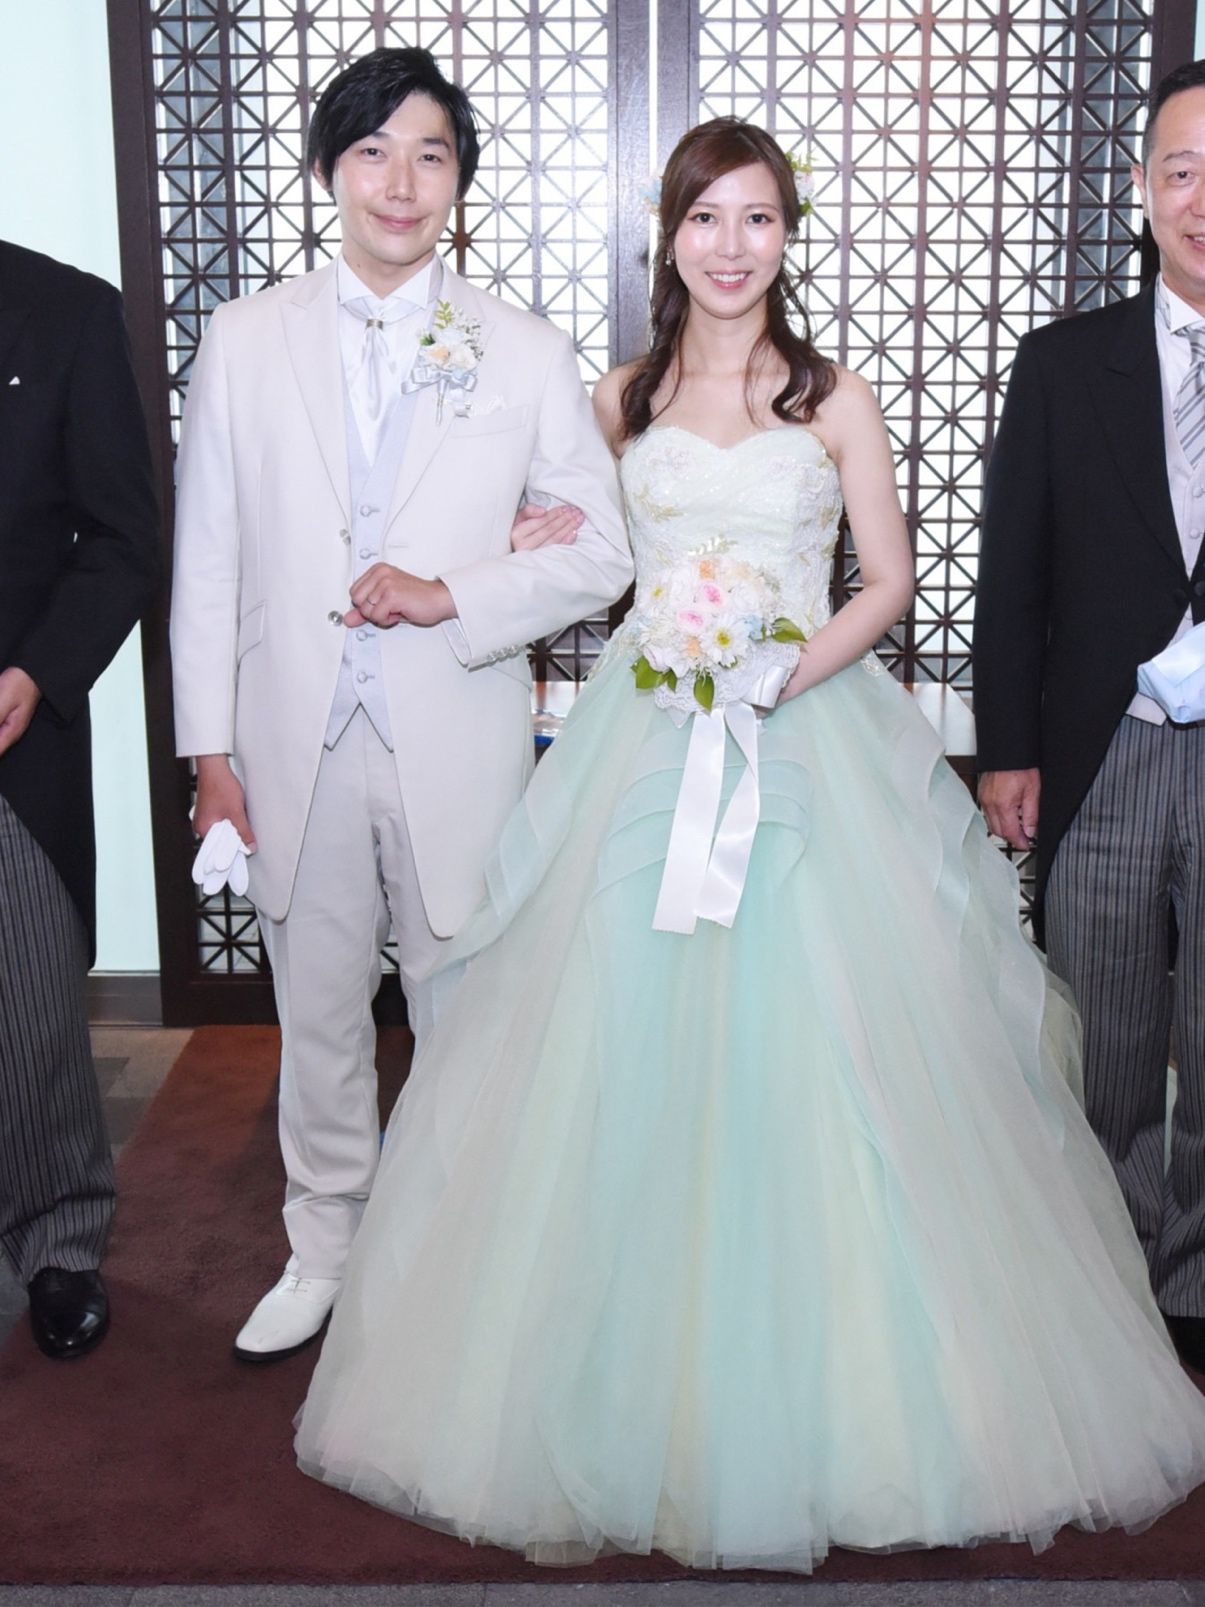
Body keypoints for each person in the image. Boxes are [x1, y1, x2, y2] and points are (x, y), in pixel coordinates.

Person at [294, 119, 1205, 1570]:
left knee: (832, 1037)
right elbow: (578, 549)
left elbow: (887, 580)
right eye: (705, 217)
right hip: (646, 736)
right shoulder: (616, 397)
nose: (731, 246)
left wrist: (784, 668)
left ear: (787, 236)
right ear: (669, 235)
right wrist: (525, 548)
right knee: (609, 1037)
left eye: (758, 218)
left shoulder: (831, 398)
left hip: (802, 730)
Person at [170, 46, 632, 1365]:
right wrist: (209, 750)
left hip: (455, 733)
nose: (399, 181)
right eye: (372, 151)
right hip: (291, 739)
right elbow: (208, 556)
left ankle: (452, 1253)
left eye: (430, 155)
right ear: (330, 168)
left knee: (461, 1012)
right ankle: (322, 1243)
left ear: (458, 183)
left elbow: (602, 553)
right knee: (316, 1010)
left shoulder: (522, 350)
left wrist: (455, 592)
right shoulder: (245, 339)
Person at [974, 60, 1205, 1375]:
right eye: (1180, 170)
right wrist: (1009, 747)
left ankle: (1196, 1278)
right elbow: (1014, 571)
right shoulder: (1063, 364)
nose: (1201, 198)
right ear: (1140, 188)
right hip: (1101, 749)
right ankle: (1111, 1270)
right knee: (1102, 1034)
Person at [0, 240, 159, 1359]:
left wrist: (37, 672)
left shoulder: (63, 309)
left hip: (13, 718)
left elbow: (121, 535)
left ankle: (58, 1241)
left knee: (29, 1005)